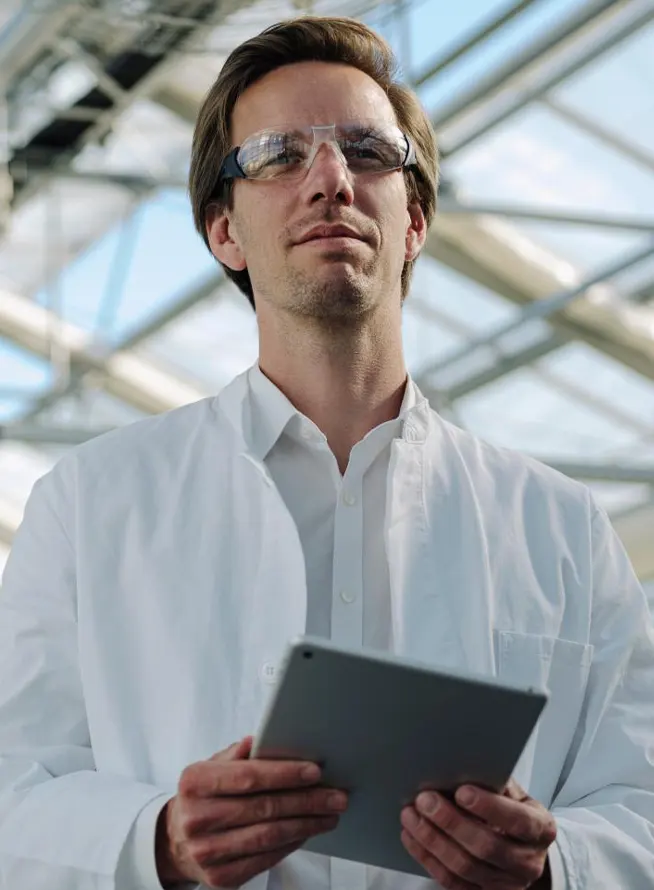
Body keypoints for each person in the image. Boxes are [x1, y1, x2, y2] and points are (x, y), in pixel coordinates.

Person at [0, 14, 653, 890]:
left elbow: (640, 804)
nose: (332, 179)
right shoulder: (91, 502)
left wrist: (554, 864)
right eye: (278, 154)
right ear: (223, 231)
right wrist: (156, 841)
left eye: (368, 151)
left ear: (414, 220)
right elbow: (12, 787)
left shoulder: (562, 526)